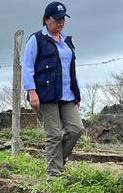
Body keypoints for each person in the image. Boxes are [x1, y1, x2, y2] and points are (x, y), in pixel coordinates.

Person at [21, 1, 84, 177]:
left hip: (67, 94)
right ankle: (54, 174)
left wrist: (76, 94)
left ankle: (57, 160)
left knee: (76, 129)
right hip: (46, 94)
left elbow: (71, 69)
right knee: (54, 134)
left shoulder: (67, 41)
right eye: (57, 19)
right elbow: (27, 66)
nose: (61, 22)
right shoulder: (37, 39)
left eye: (63, 19)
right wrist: (31, 91)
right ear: (46, 19)